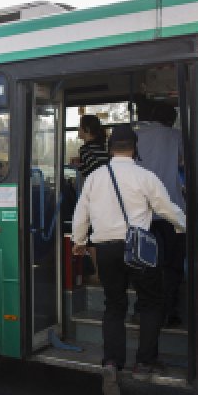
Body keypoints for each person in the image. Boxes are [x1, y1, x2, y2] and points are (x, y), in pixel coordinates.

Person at [72, 125, 185, 395]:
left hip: (105, 250)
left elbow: (80, 214)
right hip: (138, 249)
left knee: (114, 306)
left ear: (110, 149)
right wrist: (184, 227)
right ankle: (144, 363)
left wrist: (79, 241)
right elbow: (166, 209)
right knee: (150, 303)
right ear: (135, 149)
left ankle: (111, 363)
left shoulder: (95, 177)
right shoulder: (145, 176)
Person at [136, 101, 187, 327]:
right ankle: (169, 312)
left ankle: (143, 309)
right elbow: (185, 162)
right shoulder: (175, 136)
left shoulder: (138, 135)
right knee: (172, 266)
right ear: (171, 120)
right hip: (170, 211)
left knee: (144, 264)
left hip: (141, 213)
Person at [75, 115, 110, 282]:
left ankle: (97, 273)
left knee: (91, 236)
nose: (78, 130)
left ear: (87, 130)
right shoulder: (103, 147)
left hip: (95, 196)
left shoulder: (85, 150)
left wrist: (79, 167)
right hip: (108, 196)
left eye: (80, 127)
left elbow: (94, 171)